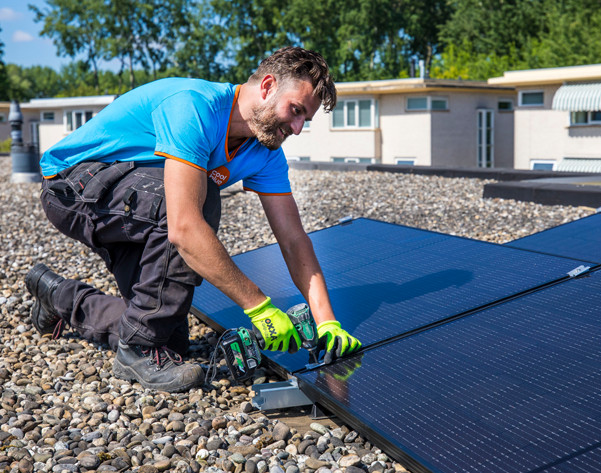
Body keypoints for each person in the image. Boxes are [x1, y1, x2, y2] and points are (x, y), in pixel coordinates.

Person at [25, 47, 361, 393]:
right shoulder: (195, 106)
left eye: (305, 119)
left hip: (134, 202)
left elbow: (293, 239)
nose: (297, 127)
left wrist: (327, 323)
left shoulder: (266, 151)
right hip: (72, 186)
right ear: (267, 86)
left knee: (168, 339)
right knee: (200, 203)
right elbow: (184, 226)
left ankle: (60, 297)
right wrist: (259, 306)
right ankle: (139, 348)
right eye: (296, 111)